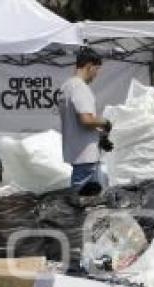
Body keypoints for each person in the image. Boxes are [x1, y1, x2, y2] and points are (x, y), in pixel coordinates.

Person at [59, 47, 111, 191]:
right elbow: (86, 119)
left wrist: (99, 135)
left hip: (77, 154)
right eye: (97, 69)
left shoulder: (66, 87)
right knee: (84, 202)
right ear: (89, 66)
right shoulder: (79, 87)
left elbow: (76, 122)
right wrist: (106, 123)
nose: (96, 75)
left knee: (86, 200)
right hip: (86, 156)